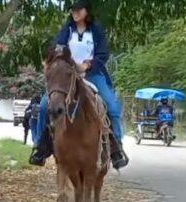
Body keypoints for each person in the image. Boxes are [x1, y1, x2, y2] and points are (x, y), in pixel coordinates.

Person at [29, 0, 128, 170]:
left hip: (92, 74)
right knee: (45, 105)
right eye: (73, 10)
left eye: (79, 9)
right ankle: (40, 146)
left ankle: (116, 147)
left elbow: (102, 54)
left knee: (111, 106)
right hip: (67, 75)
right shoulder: (66, 30)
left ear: (86, 11)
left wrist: (87, 65)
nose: (75, 13)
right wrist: (53, 60)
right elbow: (56, 49)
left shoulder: (96, 31)